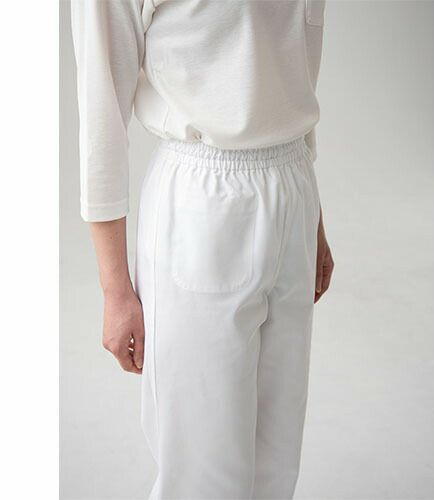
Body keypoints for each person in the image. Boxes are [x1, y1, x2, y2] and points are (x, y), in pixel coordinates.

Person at [71, 0, 334, 498]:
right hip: (204, 199)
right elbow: (101, 107)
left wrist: (312, 216)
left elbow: (285, 64)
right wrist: (114, 287)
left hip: (294, 183)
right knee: (203, 470)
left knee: (276, 461)